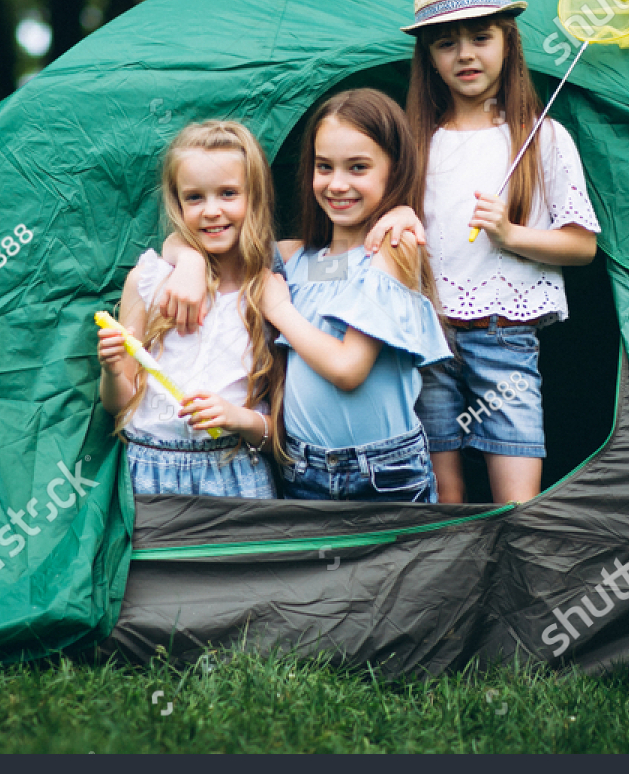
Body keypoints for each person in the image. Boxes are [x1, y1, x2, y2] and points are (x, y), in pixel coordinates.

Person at [366, 0, 600, 505]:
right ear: (428, 56)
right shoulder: (413, 141)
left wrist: (511, 235)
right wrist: (395, 216)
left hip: (505, 335)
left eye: (480, 37)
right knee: (442, 495)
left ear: (508, 42)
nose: (465, 54)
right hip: (425, 336)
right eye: (446, 43)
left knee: (516, 500)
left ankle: (517, 583)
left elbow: (583, 246)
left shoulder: (542, 138)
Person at [161, 89, 451, 502]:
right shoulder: (296, 257)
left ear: (395, 168)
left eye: (358, 168)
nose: (337, 184)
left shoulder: (392, 249)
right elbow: (200, 239)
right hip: (302, 469)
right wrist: (188, 260)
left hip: (381, 474)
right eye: (323, 167)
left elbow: (348, 369)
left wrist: (280, 309)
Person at [96, 120, 283, 498]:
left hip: (235, 471)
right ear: (177, 202)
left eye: (228, 193)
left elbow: (282, 435)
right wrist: (113, 370)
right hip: (149, 472)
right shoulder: (149, 281)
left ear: (256, 197)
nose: (211, 211)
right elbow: (119, 403)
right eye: (195, 198)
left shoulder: (272, 291)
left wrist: (239, 419)